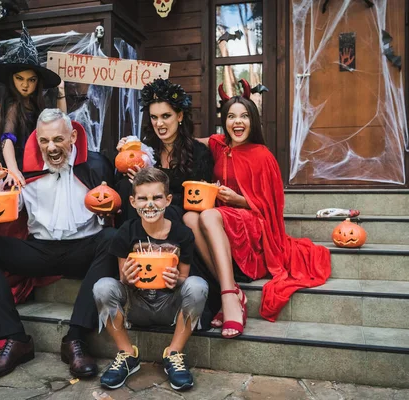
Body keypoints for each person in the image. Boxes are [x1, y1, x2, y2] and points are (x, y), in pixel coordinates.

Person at [0, 108, 116, 379]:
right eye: (44, 141)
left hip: (84, 249)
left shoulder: (96, 165)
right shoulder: (24, 171)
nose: (51, 147)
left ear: (73, 137)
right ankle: (16, 339)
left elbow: (113, 208)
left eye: (58, 139)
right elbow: (6, 208)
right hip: (40, 251)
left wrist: (112, 209)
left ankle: (75, 339)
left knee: (112, 240)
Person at [184, 81, 331, 338]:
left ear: (253, 121)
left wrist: (239, 200)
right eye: (231, 116)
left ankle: (228, 296)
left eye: (244, 116)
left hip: (253, 223)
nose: (237, 122)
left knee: (206, 214)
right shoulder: (220, 145)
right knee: (188, 217)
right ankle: (232, 289)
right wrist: (144, 148)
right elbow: (190, 139)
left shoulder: (263, 155)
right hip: (223, 222)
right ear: (224, 122)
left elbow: (272, 206)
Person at [93, 167, 208, 391]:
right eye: (143, 198)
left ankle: (174, 353)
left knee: (197, 285)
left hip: (169, 306)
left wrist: (178, 279)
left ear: (167, 200)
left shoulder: (183, 234)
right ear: (133, 202)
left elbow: (184, 277)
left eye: (157, 197)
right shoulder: (126, 232)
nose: (150, 204)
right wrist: (126, 277)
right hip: (136, 305)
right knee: (102, 287)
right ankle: (127, 354)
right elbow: (123, 280)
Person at [115, 79, 214, 224]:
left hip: (177, 220)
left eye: (165, 116)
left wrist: (151, 183)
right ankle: (134, 242)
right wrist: (123, 158)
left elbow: (196, 199)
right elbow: (121, 187)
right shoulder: (144, 150)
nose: (159, 123)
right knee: (127, 186)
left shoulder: (198, 153)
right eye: (154, 117)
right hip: (141, 216)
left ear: (179, 116)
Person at [0, 23, 67, 187]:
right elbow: (6, 140)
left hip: (36, 165)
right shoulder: (13, 104)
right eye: (19, 78)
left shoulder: (37, 105)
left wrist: (61, 92)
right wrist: (14, 170)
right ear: (12, 80)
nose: (25, 85)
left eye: (31, 80)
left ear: (38, 82)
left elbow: (61, 123)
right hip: (19, 167)